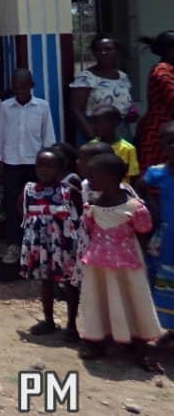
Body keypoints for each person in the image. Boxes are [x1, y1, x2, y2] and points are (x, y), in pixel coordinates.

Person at [78, 153, 163, 372]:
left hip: (127, 264)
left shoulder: (134, 207)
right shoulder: (93, 206)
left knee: (132, 299)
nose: (90, 180)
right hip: (98, 263)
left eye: (94, 175)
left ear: (110, 177)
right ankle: (99, 341)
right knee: (100, 299)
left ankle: (139, 346)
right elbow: (90, 228)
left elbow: (144, 230)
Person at [19, 147, 82, 342]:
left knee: (70, 284)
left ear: (60, 168)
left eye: (50, 166)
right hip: (40, 245)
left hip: (63, 245)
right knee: (45, 282)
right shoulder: (29, 189)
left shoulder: (68, 190)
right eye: (40, 165)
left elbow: (80, 212)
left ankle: (72, 324)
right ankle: (49, 320)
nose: (44, 170)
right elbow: (21, 209)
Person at [0, 69, 57, 266]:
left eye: (23, 86)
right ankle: (14, 244)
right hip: (12, 162)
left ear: (32, 86)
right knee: (13, 205)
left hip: (35, 164)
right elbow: (1, 135)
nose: (19, 90)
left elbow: (48, 136)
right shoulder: (5, 107)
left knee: (36, 204)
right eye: (16, 87)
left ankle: (37, 246)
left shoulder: (42, 107)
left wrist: (49, 163)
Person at [142, 122, 174, 344]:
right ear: (162, 146)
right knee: (163, 281)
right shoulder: (156, 172)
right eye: (169, 142)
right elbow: (138, 188)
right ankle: (170, 330)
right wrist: (153, 210)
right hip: (166, 236)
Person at [68, 35, 136, 139]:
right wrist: (91, 135)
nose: (103, 53)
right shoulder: (86, 78)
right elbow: (76, 110)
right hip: (97, 131)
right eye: (98, 50)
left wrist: (132, 112)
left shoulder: (123, 77)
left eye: (108, 49)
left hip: (121, 130)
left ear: (117, 51)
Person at [137, 31, 174, 171]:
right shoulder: (162, 71)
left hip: (166, 132)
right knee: (156, 178)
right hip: (160, 133)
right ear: (170, 50)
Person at [92, 104, 140, 180]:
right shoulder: (91, 146)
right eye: (93, 123)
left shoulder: (128, 149)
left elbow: (133, 175)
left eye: (99, 123)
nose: (94, 127)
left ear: (115, 123)